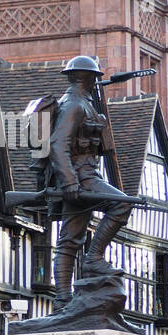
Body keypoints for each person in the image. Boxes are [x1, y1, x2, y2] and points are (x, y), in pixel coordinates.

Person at [44, 55, 135, 303]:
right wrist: (70, 182)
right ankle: (93, 258)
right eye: (95, 78)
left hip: (84, 175)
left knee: (70, 238)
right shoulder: (74, 105)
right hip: (81, 177)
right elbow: (58, 144)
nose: (97, 83)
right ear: (89, 78)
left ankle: (63, 299)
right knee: (122, 203)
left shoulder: (83, 102)